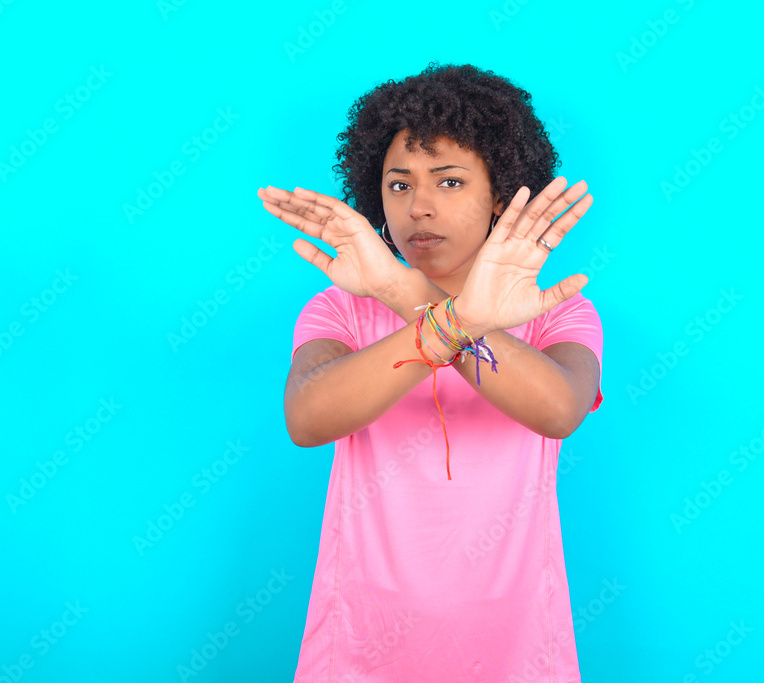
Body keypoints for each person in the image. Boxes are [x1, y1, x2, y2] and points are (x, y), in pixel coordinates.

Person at [258, 62, 603, 682]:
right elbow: (308, 418)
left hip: (518, 649)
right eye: (398, 185)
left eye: (448, 183)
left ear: (500, 193)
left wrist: (407, 297)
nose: (418, 208)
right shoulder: (339, 308)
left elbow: (557, 409)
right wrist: (426, 309)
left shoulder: (558, 313)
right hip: (360, 648)